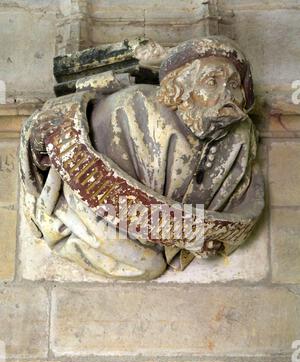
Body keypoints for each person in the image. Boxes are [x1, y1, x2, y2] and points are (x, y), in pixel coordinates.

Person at [19, 36, 264, 280]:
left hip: (161, 234)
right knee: (148, 265)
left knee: (151, 264)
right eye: (212, 81)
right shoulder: (134, 108)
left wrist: (198, 233)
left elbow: (241, 202)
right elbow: (93, 183)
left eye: (234, 84)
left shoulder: (240, 139)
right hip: (99, 219)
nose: (227, 94)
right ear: (180, 89)